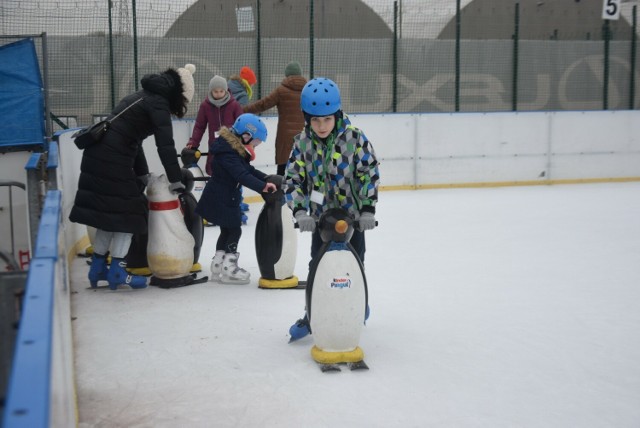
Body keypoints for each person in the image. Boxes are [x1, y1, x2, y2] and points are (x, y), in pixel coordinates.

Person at [69, 63, 196, 290]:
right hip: (112, 160)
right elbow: (165, 145)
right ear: (180, 95)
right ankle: (117, 271)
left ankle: (98, 267)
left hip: (99, 154)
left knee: (112, 215)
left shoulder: (143, 96)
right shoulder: (159, 103)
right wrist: (176, 179)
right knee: (130, 215)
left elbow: (133, 140)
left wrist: (143, 174)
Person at [284, 77, 380, 340]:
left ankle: (358, 303)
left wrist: (368, 209)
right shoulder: (302, 143)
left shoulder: (356, 139)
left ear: (337, 114)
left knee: (355, 263)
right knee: (318, 264)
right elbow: (293, 179)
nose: (321, 125)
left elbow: (368, 173)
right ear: (307, 118)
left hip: (353, 218)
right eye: (315, 120)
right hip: (320, 220)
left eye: (327, 119)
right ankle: (312, 313)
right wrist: (300, 212)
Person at [195, 113, 277, 284]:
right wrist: (263, 187)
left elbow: (249, 170)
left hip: (221, 196)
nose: (256, 146)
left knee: (226, 230)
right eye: (256, 143)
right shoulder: (228, 153)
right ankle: (229, 268)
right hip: (223, 199)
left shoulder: (232, 149)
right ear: (246, 136)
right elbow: (242, 175)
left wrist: (266, 178)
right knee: (235, 230)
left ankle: (218, 264)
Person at [244, 61, 307, 176]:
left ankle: (281, 190)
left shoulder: (281, 90)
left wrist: (242, 110)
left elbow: (263, 104)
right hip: (303, 134)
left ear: (287, 75)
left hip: (285, 134)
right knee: (301, 165)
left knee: (282, 168)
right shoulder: (307, 91)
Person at [186, 75, 243, 176]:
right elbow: (200, 126)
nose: (219, 94)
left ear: (226, 90)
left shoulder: (234, 105)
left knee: (233, 170)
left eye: (221, 91)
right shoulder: (205, 106)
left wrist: (243, 142)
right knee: (214, 170)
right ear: (211, 91)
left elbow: (241, 124)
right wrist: (194, 142)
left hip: (232, 145)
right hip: (214, 144)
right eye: (215, 91)